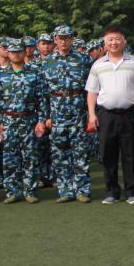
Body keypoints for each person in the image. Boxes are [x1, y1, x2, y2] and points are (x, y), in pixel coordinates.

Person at [86, 26, 134, 205]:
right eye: (110, 39)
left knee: (131, 153)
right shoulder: (98, 64)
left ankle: (132, 192)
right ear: (105, 43)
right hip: (106, 115)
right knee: (107, 154)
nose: (114, 42)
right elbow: (92, 91)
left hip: (129, 114)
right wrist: (92, 114)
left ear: (124, 41)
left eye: (118, 39)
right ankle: (112, 192)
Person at [40, 25, 92, 203]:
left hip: (78, 111)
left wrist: (90, 112)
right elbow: (43, 93)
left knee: (80, 152)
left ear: (72, 39)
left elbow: (91, 89)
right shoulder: (47, 61)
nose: (63, 41)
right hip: (57, 112)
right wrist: (45, 116)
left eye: (67, 37)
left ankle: (82, 190)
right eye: (60, 38)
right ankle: (65, 191)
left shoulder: (83, 59)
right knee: (59, 154)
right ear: (55, 39)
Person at [0, 39, 46, 204]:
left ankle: (29, 191)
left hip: (28, 119)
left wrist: (41, 120)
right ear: (8, 54)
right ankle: (12, 191)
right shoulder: (0, 75)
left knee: (30, 157)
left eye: (19, 51)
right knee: (10, 158)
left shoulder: (34, 73)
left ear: (24, 53)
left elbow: (42, 99)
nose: (16, 55)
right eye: (13, 52)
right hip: (8, 120)